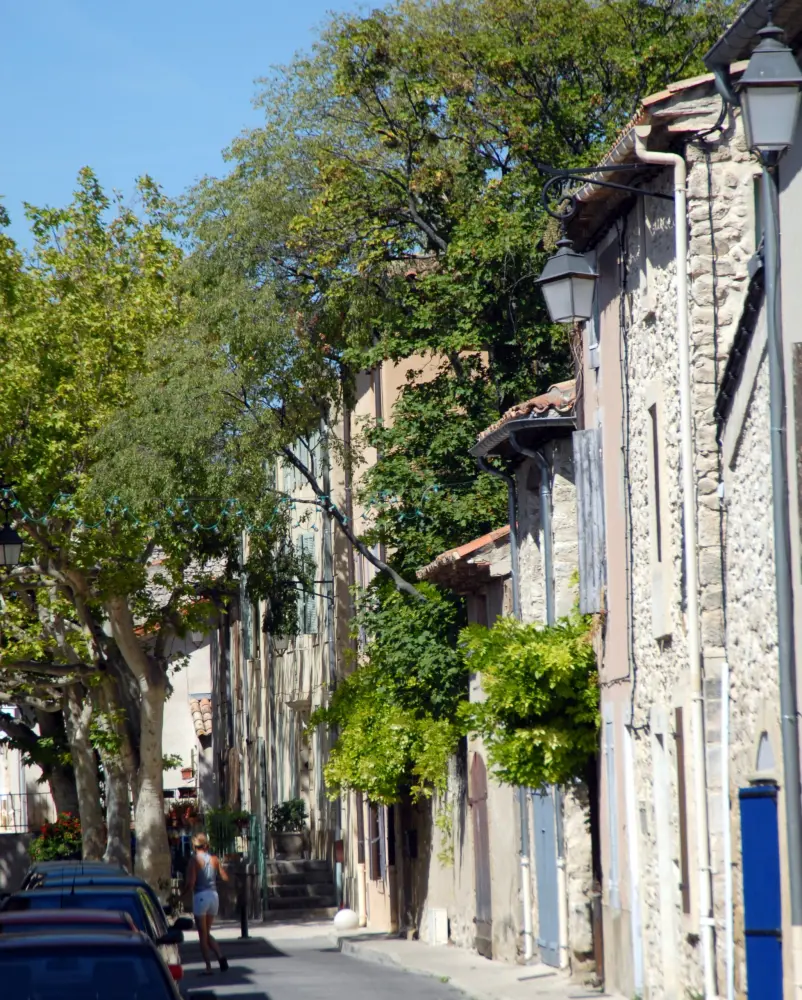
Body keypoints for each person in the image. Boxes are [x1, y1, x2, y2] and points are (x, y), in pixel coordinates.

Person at [184, 833, 229, 975]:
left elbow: (191, 883)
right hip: (213, 896)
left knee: (202, 935)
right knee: (207, 932)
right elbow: (224, 877)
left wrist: (181, 895)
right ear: (206, 846)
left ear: (194, 846)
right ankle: (220, 956)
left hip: (200, 897)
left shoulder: (194, 861)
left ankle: (208, 967)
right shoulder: (214, 859)